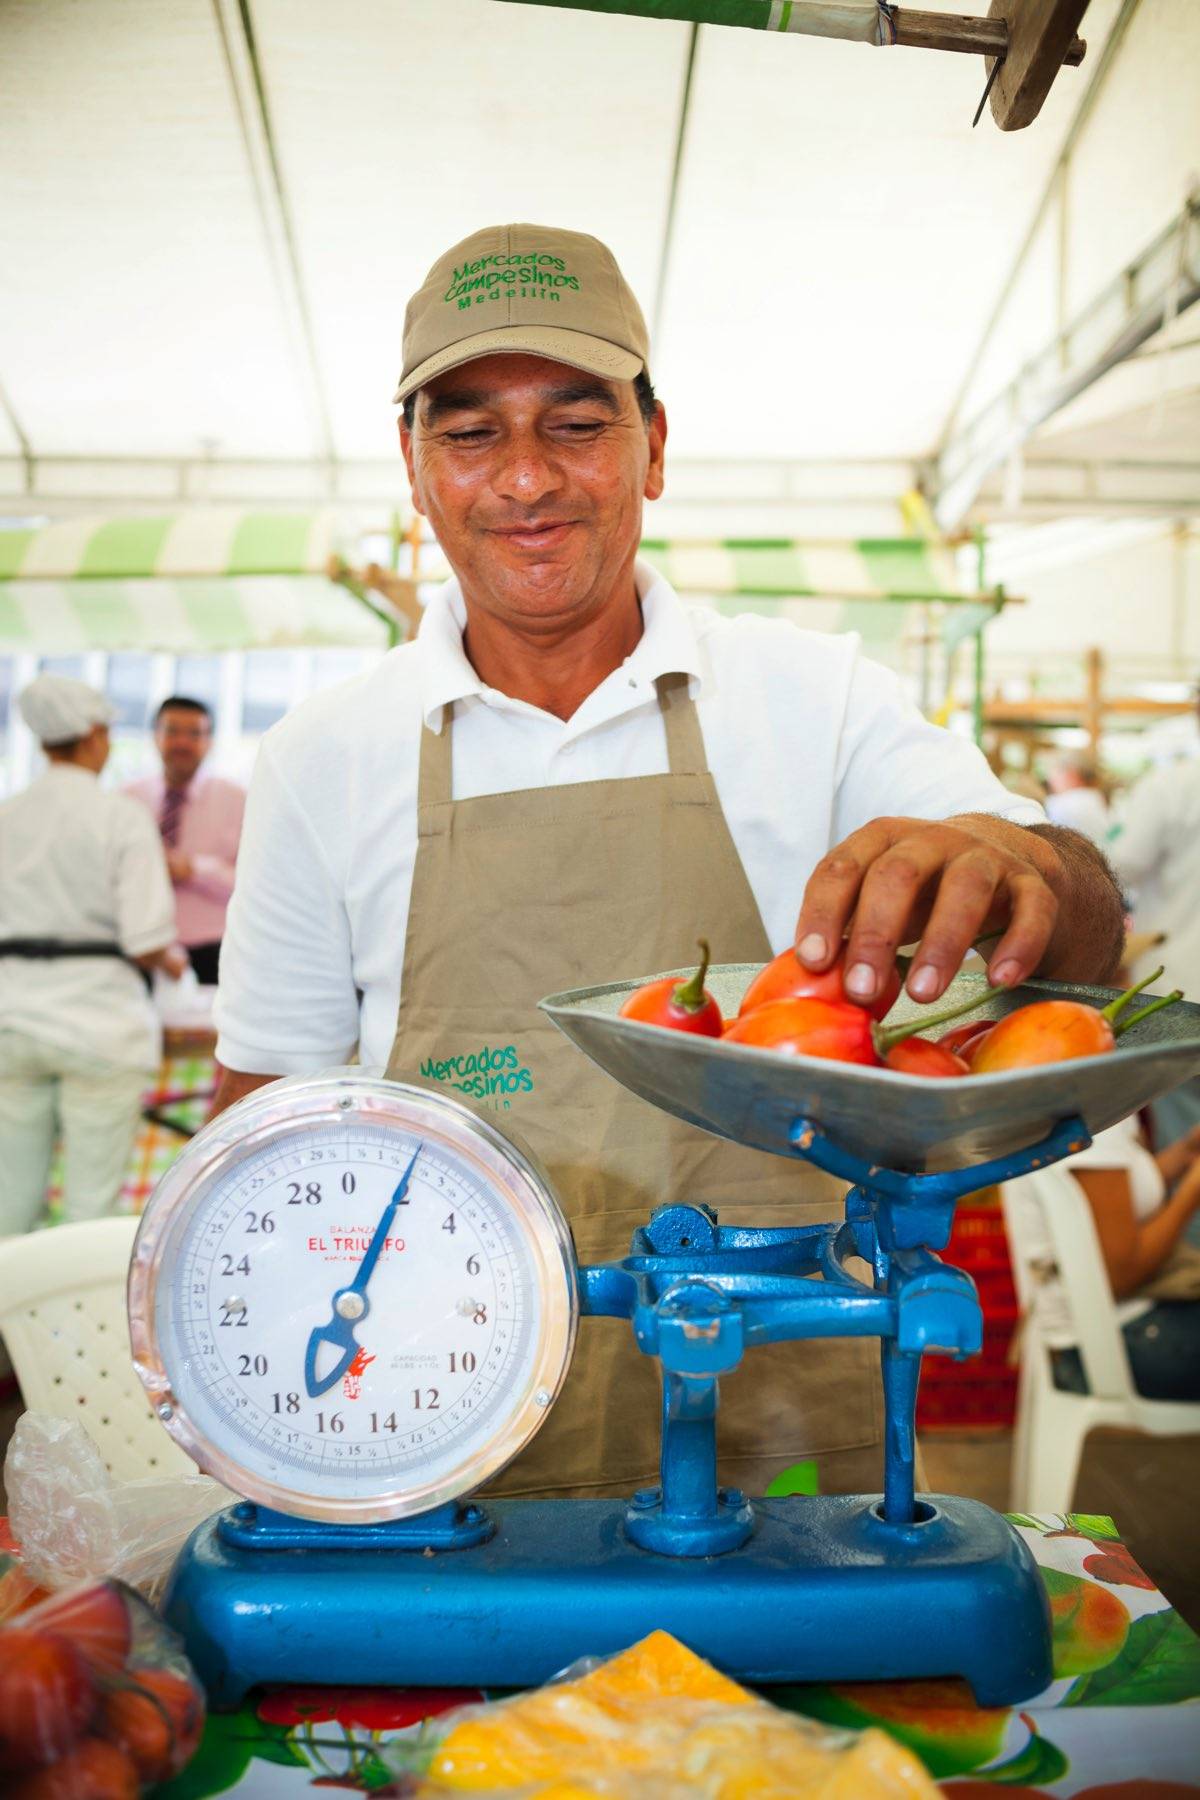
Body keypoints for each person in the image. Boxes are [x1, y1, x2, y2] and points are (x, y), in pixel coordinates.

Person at [212, 222, 1125, 1500]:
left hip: (784, 1408)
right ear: (415, 471)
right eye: (471, 432)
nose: (526, 479)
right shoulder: (328, 754)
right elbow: (265, 1124)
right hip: (438, 1400)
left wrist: (1011, 863)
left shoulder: (816, 700)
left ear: (654, 445)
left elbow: (1077, 917)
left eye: (576, 424)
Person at [0, 675, 183, 1233]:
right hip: (100, 1022)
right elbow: (146, 937)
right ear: (95, 737)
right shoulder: (119, 816)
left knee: (8, 1203)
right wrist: (178, 969)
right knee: (90, 1207)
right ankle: (71, 1321)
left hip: (11, 1017)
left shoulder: (8, 814)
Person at [1006, 1113, 1200, 1401]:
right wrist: (1191, 1193)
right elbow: (1121, 1275)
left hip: (1094, 1336)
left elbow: (1119, 1193)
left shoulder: (1095, 1105)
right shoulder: (1098, 1118)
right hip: (1110, 1346)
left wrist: (1185, 1153)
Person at [1107, 709, 1200, 1148]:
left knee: (1185, 1142)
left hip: (1181, 991)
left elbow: (1117, 867)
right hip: (1178, 988)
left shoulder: (1173, 785)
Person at [125, 696, 245, 987]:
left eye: (194, 734)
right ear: (155, 736)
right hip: (141, 950)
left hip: (215, 951)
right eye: (172, 731)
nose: (182, 743)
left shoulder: (239, 801)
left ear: (210, 741)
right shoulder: (127, 800)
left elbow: (258, 882)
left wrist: (195, 869)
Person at [1043, 749, 1110, 846]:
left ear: (1070, 773)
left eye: (1055, 773)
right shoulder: (1096, 798)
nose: (1050, 781)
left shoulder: (1061, 804)